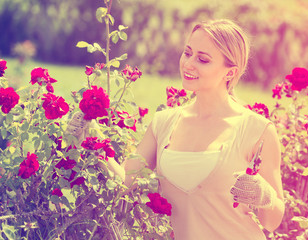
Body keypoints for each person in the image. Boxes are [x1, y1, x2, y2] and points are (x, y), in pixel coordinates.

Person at [103, 19, 284, 239]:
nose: (189, 64)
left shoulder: (258, 130)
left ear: (230, 73)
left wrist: (265, 196)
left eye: (203, 59)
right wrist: (92, 138)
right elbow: (124, 181)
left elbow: (272, 222)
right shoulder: (163, 123)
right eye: (187, 53)